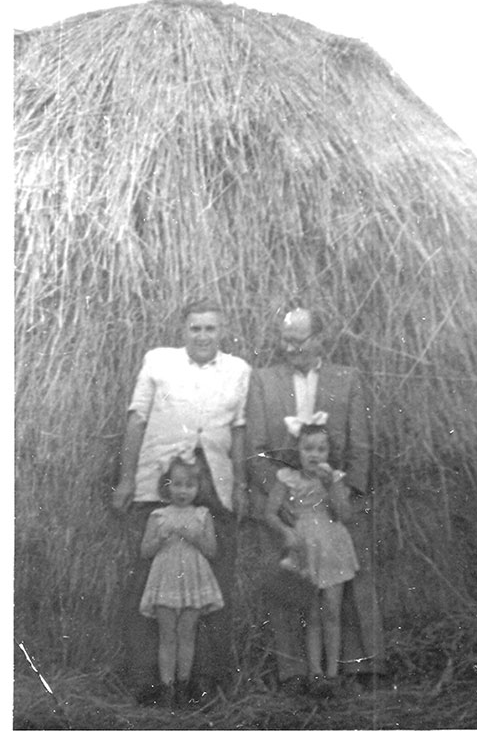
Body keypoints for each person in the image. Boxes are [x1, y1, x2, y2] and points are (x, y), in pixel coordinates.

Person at [112, 299, 251, 703]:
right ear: (183, 330)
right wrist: (125, 478)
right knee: (150, 586)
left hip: (213, 485)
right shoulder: (158, 362)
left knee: (211, 585)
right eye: (195, 329)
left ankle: (203, 680)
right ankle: (148, 680)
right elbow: (136, 418)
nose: (203, 336)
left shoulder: (238, 370)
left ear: (222, 331)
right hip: (162, 481)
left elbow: (239, 430)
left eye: (210, 329)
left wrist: (240, 483)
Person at [246, 306, 385, 693]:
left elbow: (359, 442)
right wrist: (280, 493)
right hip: (291, 503)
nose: (291, 349)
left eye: (299, 340)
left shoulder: (346, 379)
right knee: (292, 585)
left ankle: (362, 666)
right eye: (285, 341)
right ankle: (295, 674)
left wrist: (349, 493)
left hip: (337, 499)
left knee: (350, 580)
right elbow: (255, 447)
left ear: (320, 339)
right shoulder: (264, 381)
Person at [265, 421, 359, 696]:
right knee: (313, 613)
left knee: (332, 609)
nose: (314, 454)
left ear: (329, 452)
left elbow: (344, 514)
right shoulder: (288, 478)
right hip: (305, 546)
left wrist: (331, 486)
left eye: (321, 449)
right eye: (308, 449)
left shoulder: (333, 478)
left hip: (332, 544)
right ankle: (315, 673)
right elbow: (270, 513)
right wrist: (285, 532)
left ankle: (332, 673)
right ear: (297, 450)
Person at [139, 454, 224, 709]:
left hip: (193, 579)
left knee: (187, 632)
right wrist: (160, 539)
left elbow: (211, 550)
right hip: (166, 578)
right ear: (167, 485)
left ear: (199, 488)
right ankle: (167, 687)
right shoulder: (158, 516)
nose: (183, 491)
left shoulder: (202, 514)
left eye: (189, 485)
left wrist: (195, 537)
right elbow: (145, 551)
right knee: (167, 634)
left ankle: (183, 685)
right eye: (177, 484)